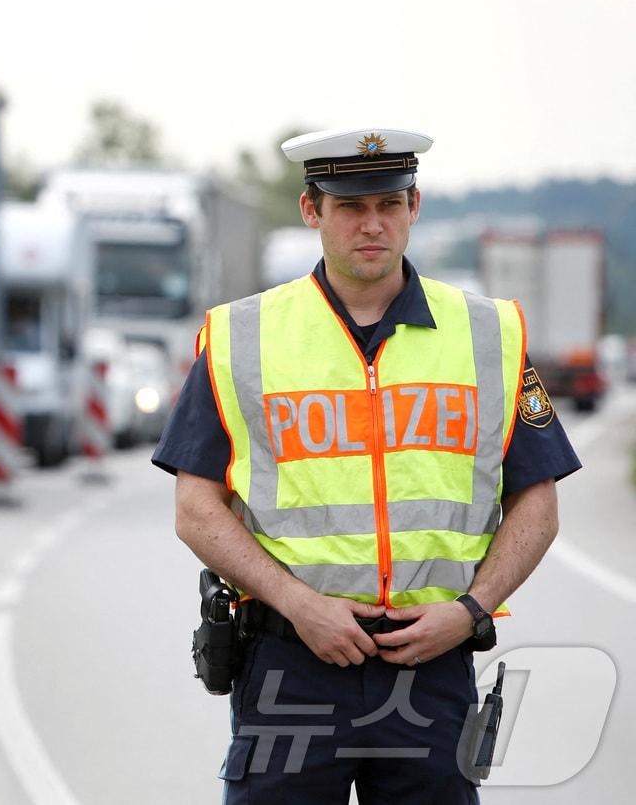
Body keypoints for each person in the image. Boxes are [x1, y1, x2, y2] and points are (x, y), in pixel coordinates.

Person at [153, 127, 579, 803]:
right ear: (311, 210)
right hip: (292, 661)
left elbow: (539, 505)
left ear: (415, 206)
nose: (372, 223)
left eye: (388, 203)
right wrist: (299, 603)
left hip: (430, 666)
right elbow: (195, 508)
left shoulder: (488, 333)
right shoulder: (243, 336)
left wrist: (470, 610)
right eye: (350, 206)